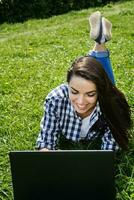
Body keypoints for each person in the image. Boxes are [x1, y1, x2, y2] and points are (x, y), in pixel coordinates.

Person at [36, 11, 132, 151]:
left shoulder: (110, 102)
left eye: (90, 94)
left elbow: (109, 150)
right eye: (74, 92)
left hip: (107, 94)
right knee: (90, 72)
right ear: (67, 85)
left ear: (99, 93)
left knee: (106, 83)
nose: (80, 102)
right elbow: (46, 142)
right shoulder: (55, 99)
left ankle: (100, 42)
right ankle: (100, 41)